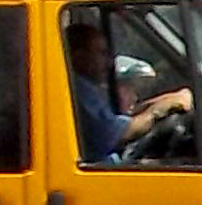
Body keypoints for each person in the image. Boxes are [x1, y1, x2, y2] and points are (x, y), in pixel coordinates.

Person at [66, 22, 160, 164]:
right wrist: (157, 112)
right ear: (79, 56)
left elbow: (123, 120)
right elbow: (118, 134)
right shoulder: (77, 90)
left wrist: (166, 102)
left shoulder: (83, 88)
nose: (109, 62)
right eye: (101, 53)